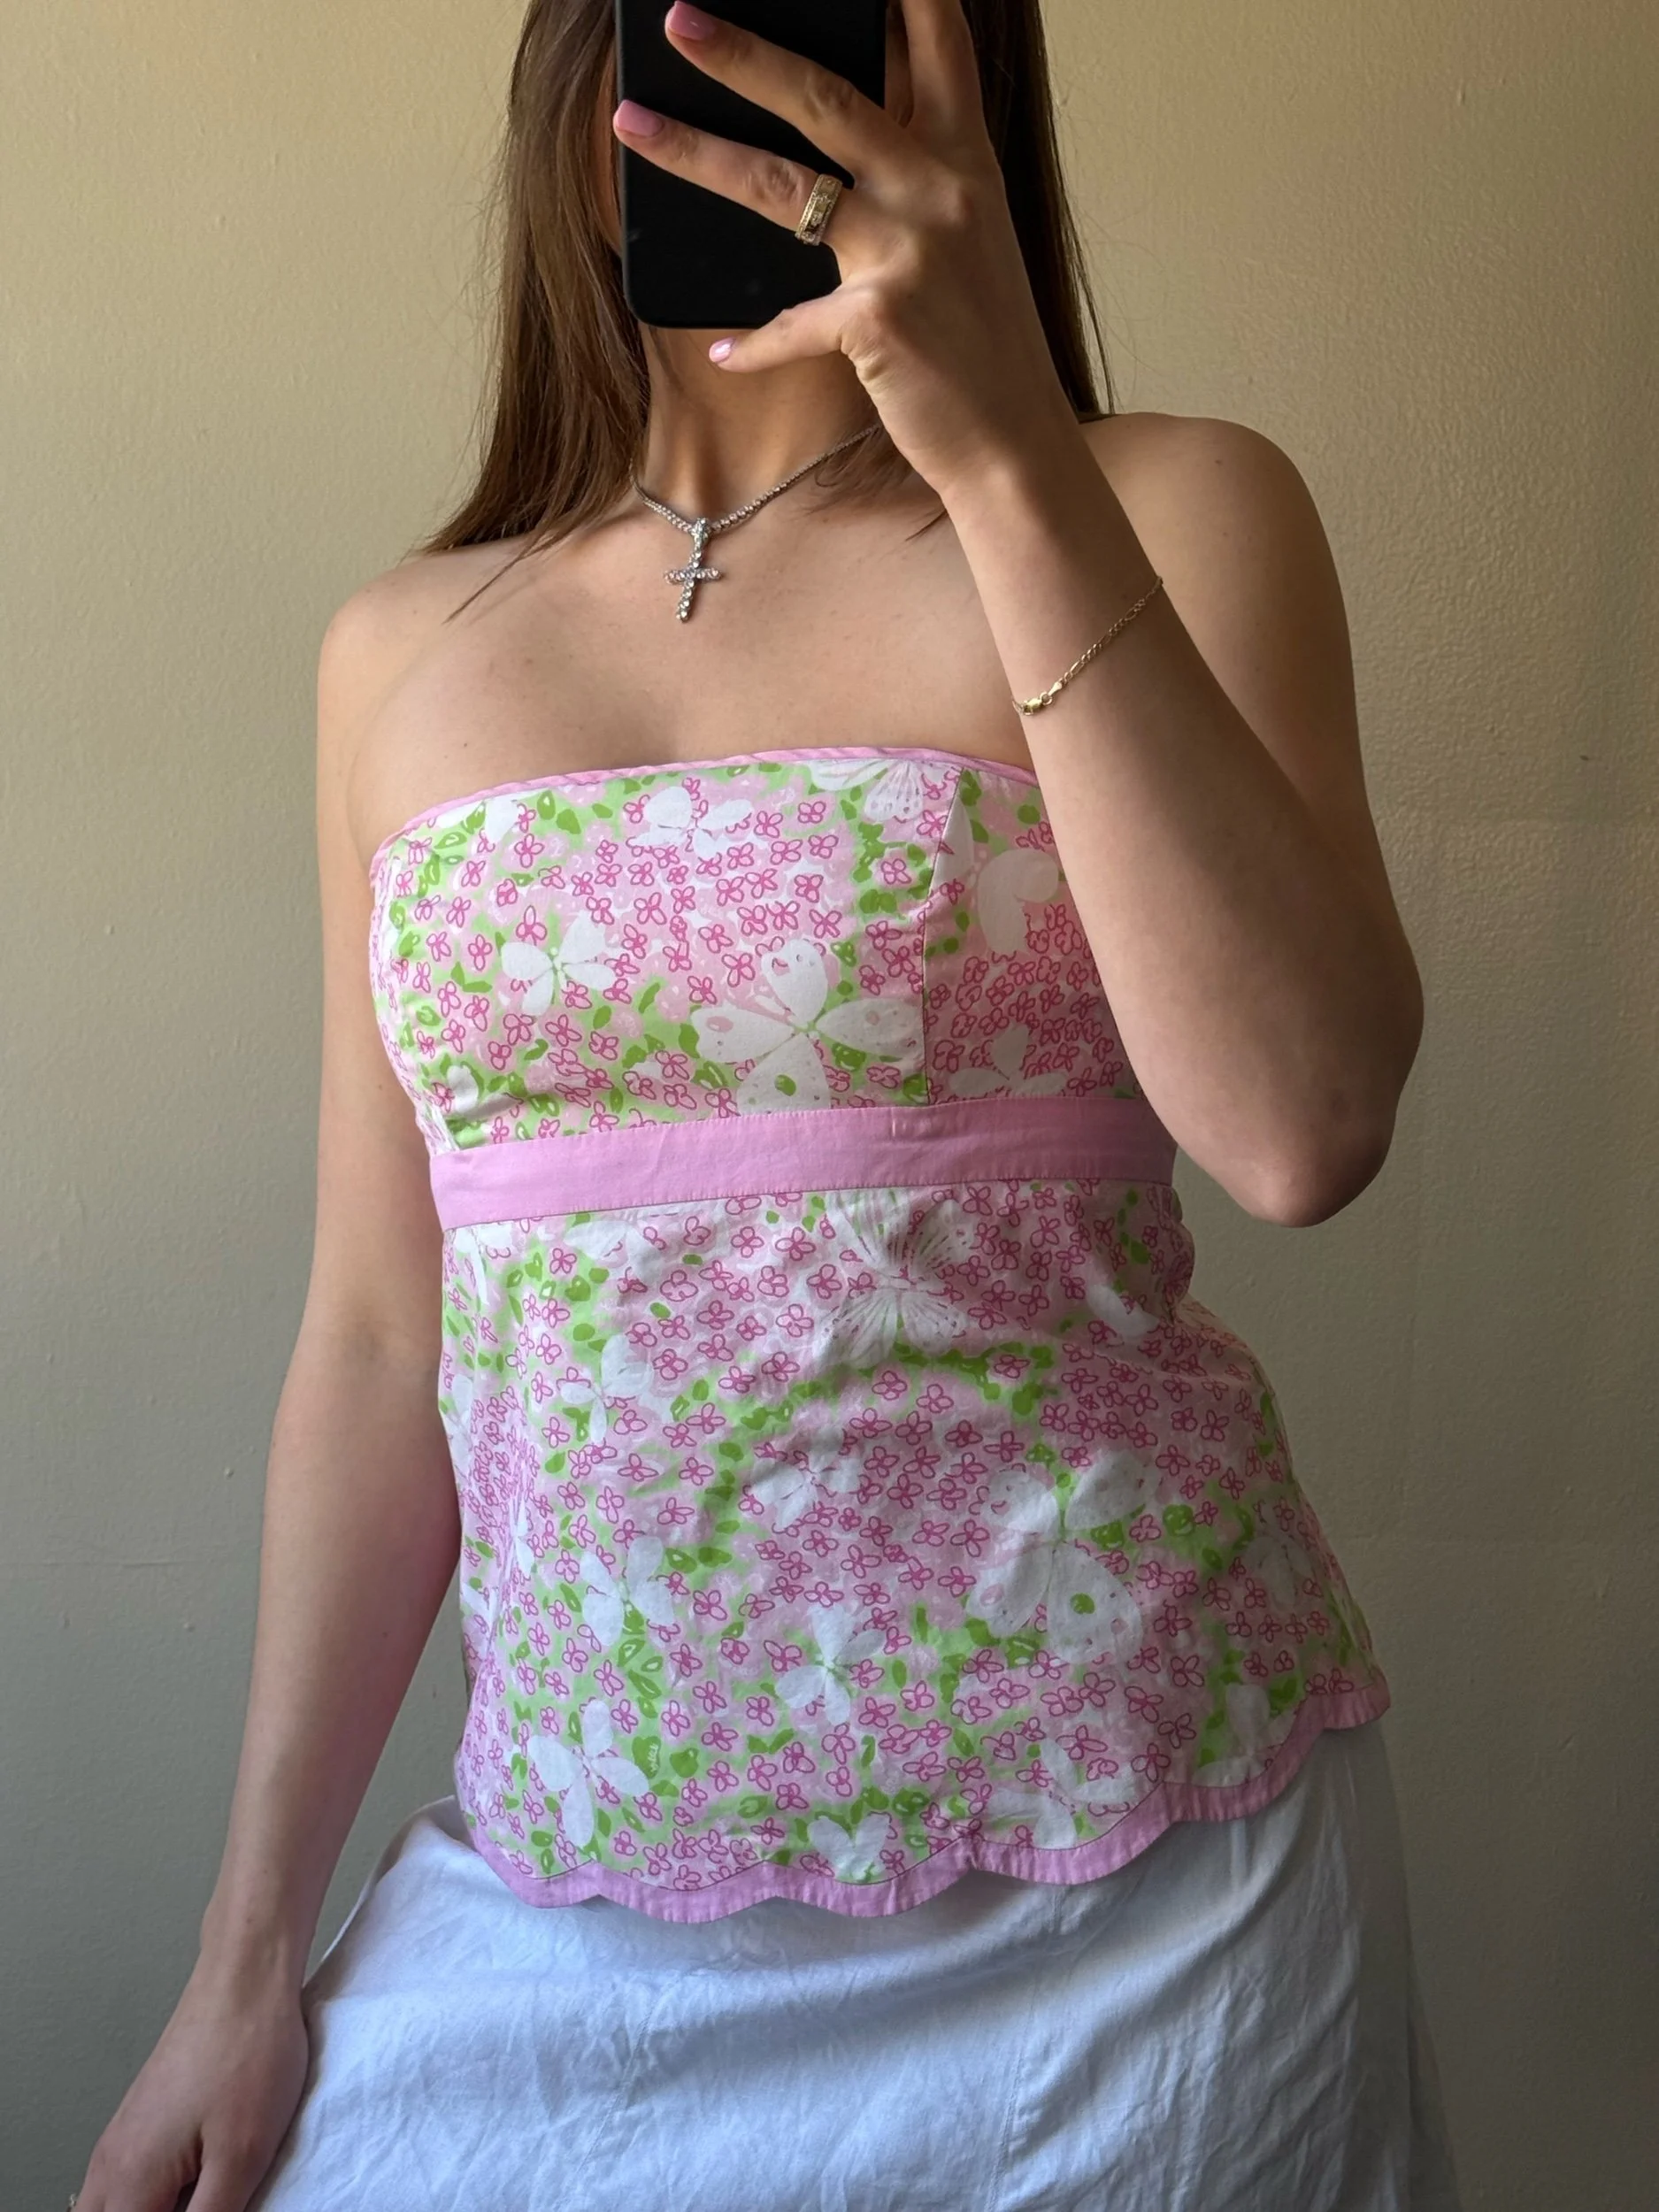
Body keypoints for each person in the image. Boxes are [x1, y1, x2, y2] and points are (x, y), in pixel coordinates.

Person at [75, 4, 1464, 2208]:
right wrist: (241, 1955)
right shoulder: (402, 651)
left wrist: (999, 448)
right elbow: (372, 1336)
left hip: (1137, 1894)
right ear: (577, 69)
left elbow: (1303, 1124)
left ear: (956, 68)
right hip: (585, 1879)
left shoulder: (1172, 505)